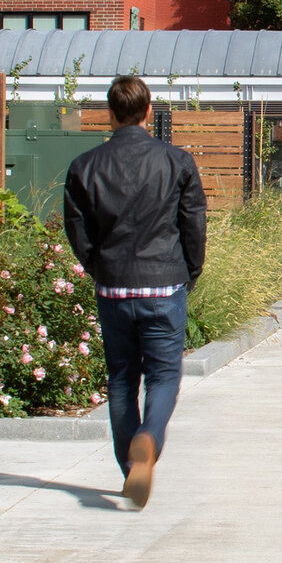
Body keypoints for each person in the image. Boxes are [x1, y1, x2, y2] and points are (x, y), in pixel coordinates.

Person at [61, 75, 209, 509]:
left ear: (110, 113)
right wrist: (191, 271)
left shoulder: (84, 167)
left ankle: (131, 469)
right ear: (149, 111)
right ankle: (148, 439)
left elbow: (77, 230)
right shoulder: (177, 161)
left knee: (122, 380)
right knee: (163, 376)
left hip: (114, 288)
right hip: (164, 283)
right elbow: (193, 223)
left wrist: (97, 267)